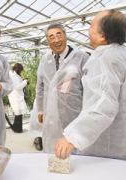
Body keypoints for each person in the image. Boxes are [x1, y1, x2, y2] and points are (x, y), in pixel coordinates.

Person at [54, 10, 126, 160]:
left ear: (102, 36)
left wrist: (72, 137)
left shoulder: (104, 58)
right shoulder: (120, 54)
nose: (88, 29)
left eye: (91, 25)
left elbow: (102, 105)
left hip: (106, 147)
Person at [36, 23, 89, 154]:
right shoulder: (45, 59)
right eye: (51, 37)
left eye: (59, 35)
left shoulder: (81, 57)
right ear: (47, 41)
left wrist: (87, 114)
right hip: (50, 114)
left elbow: (90, 89)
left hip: (74, 113)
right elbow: (40, 86)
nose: (56, 40)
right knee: (52, 150)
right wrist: (41, 110)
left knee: (74, 150)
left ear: (65, 36)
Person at [8, 63, 28, 133]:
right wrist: (25, 82)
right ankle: (17, 129)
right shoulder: (14, 76)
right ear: (18, 69)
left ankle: (17, 128)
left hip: (16, 96)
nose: (21, 72)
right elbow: (18, 87)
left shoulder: (14, 75)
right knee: (18, 113)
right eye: (20, 70)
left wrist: (23, 81)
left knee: (18, 113)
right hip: (16, 96)